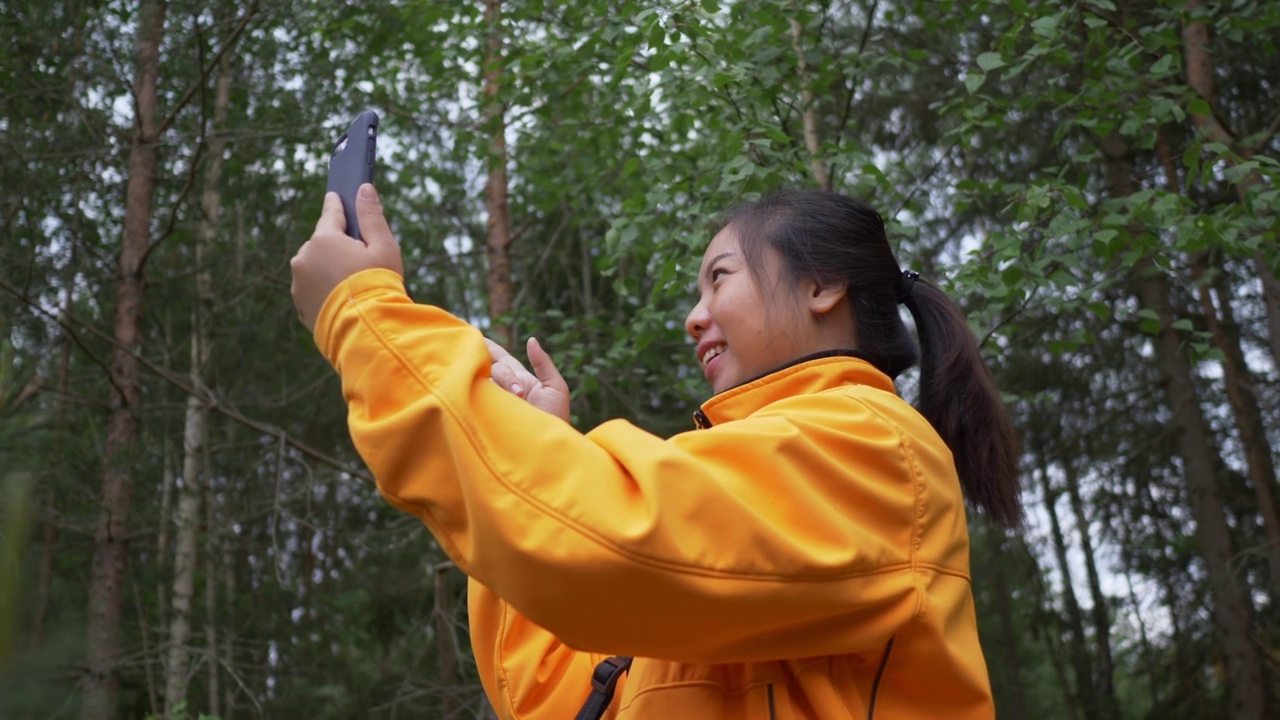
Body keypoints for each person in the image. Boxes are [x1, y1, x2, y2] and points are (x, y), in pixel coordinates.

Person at [291, 183, 1023, 719]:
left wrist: (362, 312)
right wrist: (534, 441)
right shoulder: (754, 499)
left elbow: (598, 547)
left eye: (720, 278)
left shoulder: (870, 447)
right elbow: (557, 694)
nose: (692, 317)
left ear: (822, 285)